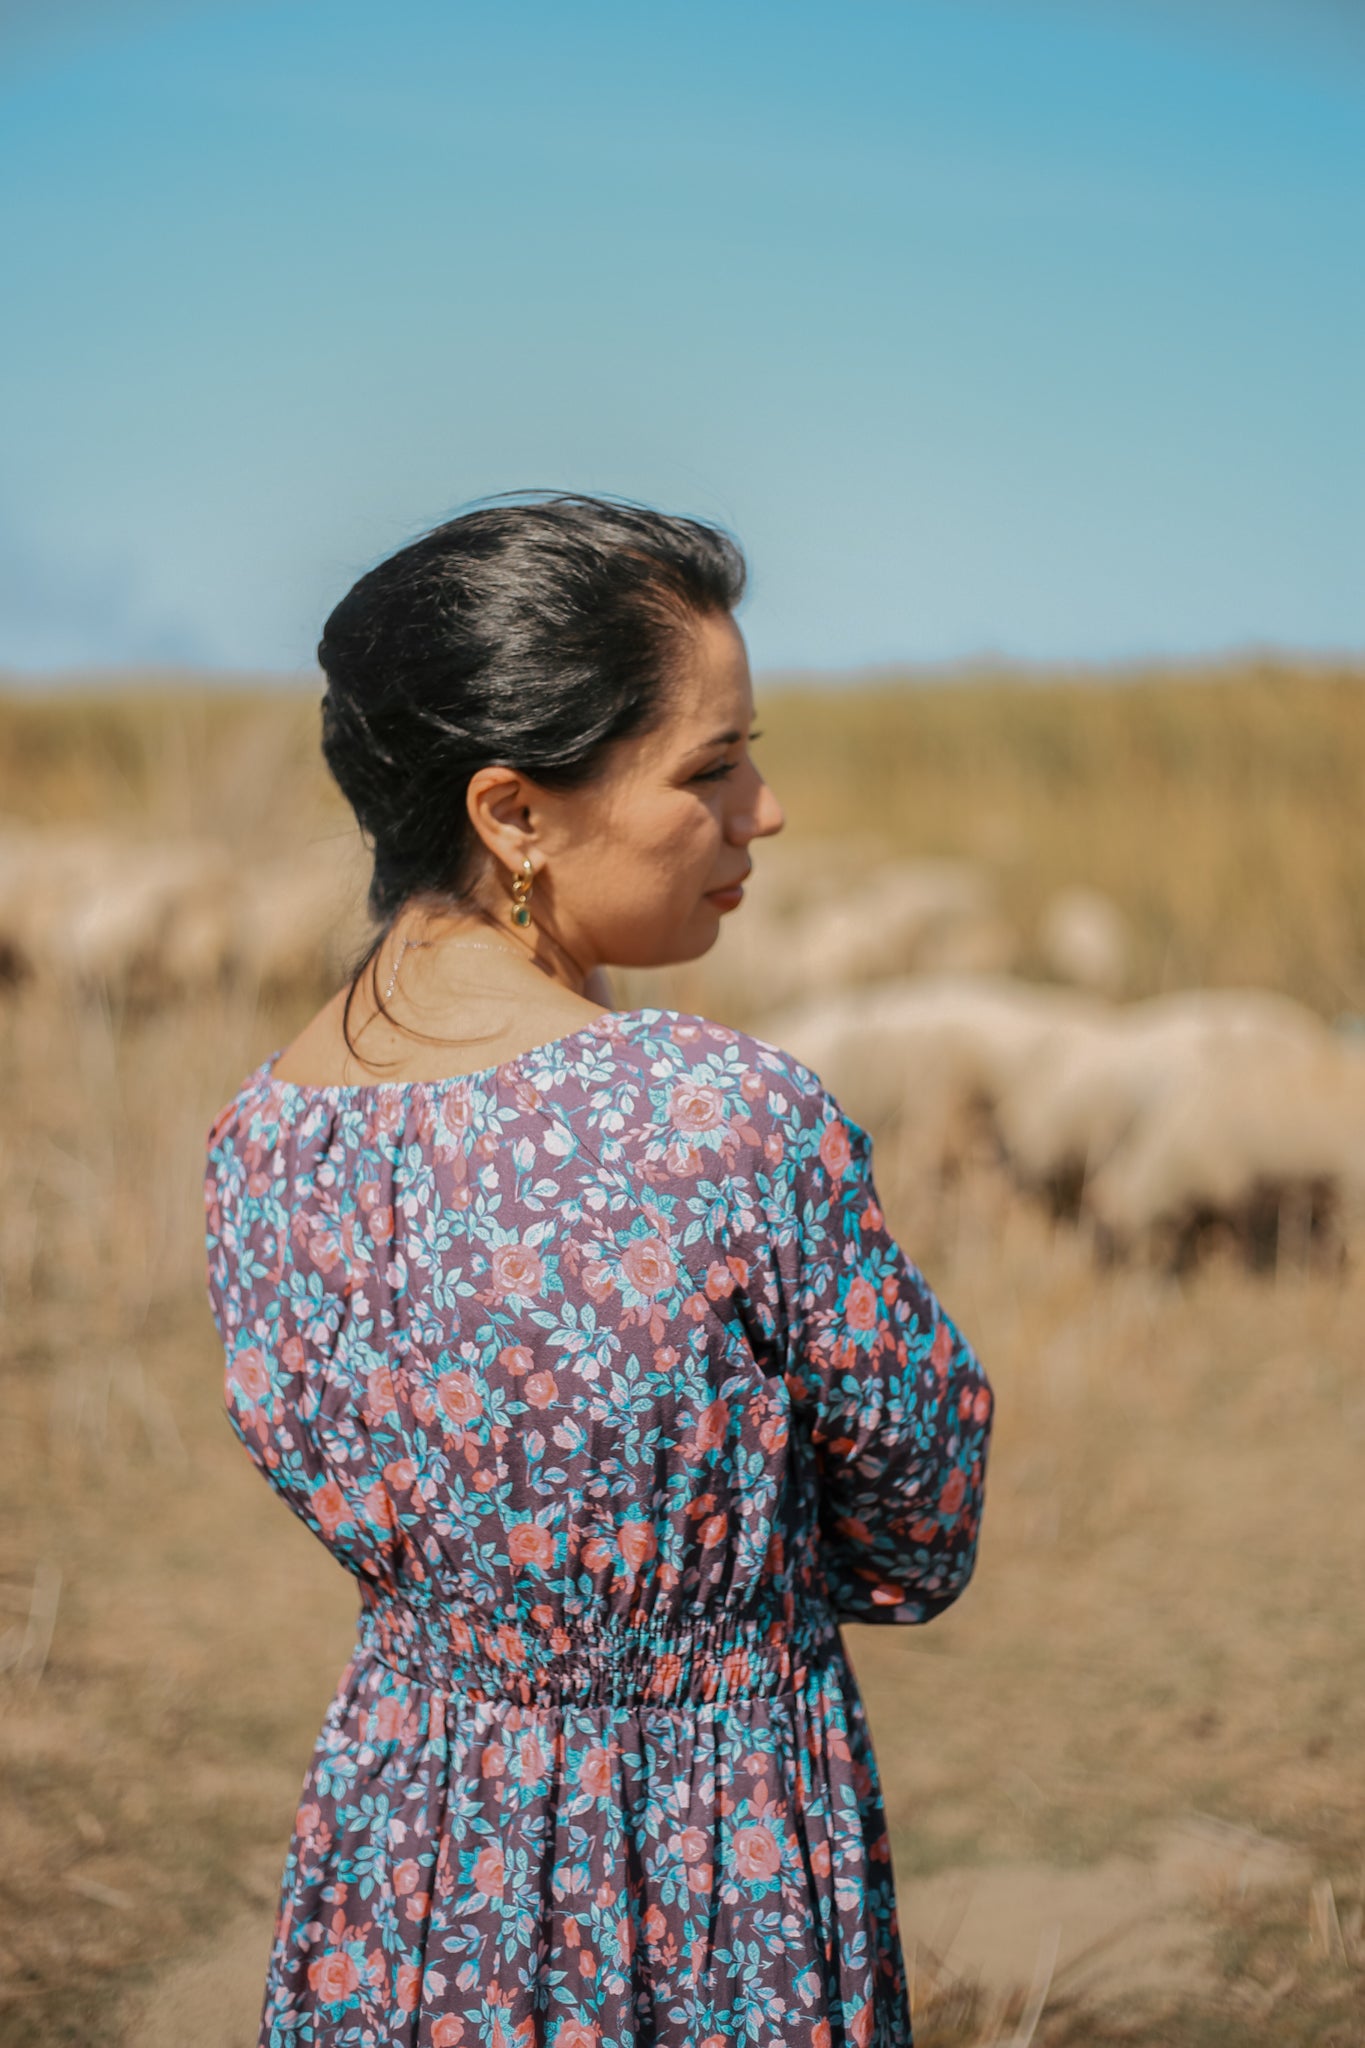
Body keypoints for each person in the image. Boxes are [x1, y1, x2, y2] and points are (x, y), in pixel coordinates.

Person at [203, 493, 993, 2048]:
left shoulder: (261, 1137)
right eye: (711, 766)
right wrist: (716, 1605)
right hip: (707, 1855)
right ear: (514, 814)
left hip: (409, 1847)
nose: (761, 812)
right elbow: (918, 1529)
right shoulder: (716, 1117)